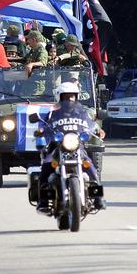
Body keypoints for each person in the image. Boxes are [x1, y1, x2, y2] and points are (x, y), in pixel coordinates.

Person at [36, 82, 106, 212]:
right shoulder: (53, 113)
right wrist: (41, 129)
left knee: (90, 167)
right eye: (66, 97)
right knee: (46, 166)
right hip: (57, 147)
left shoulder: (82, 112)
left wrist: (98, 130)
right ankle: (43, 200)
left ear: (76, 97)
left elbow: (91, 124)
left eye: (72, 96)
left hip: (77, 146)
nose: (69, 99)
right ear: (60, 97)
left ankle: (98, 197)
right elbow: (43, 123)